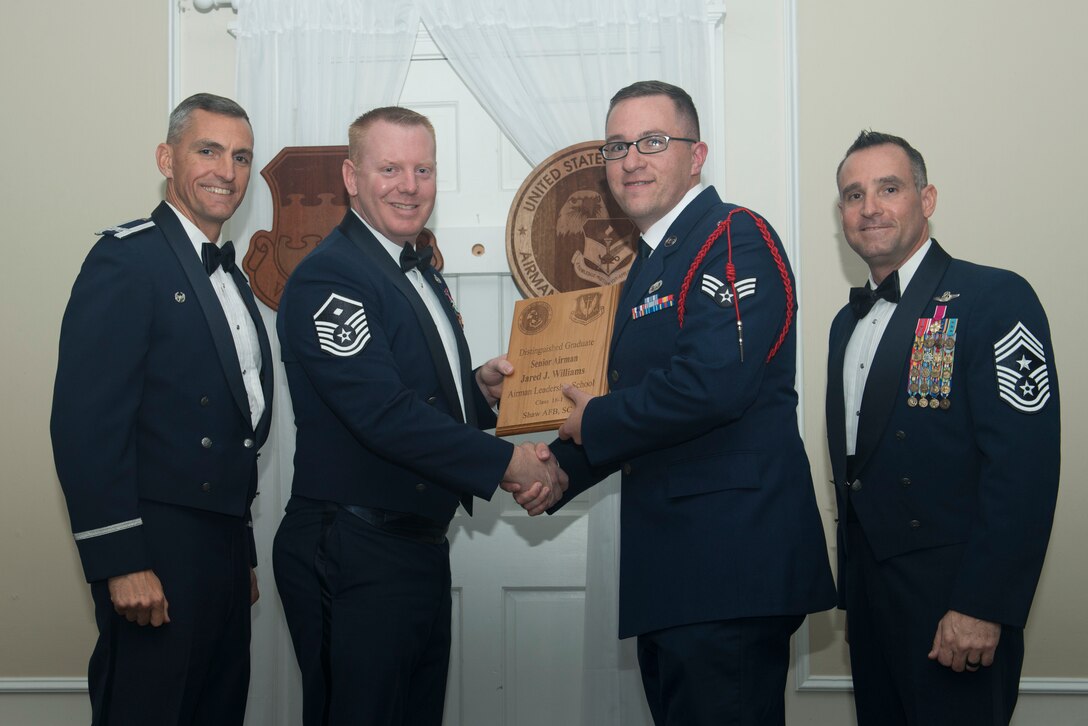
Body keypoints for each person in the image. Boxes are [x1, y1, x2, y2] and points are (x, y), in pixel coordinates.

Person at [551, 80, 836, 725]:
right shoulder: (652, 264)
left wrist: (591, 420)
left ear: (697, 154)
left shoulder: (734, 236)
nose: (631, 160)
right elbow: (640, 408)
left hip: (728, 564)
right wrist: (560, 469)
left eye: (653, 141)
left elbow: (713, 385)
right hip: (679, 571)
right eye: (617, 146)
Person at [273, 106, 564, 726]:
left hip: (411, 548)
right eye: (391, 168)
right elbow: (380, 412)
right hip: (353, 547)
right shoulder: (331, 276)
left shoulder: (414, 266)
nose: (410, 185)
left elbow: (414, 393)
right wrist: (506, 460)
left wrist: (478, 393)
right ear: (352, 177)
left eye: (423, 169)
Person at [50, 93, 272, 725]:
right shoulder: (127, 258)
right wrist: (122, 562)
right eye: (207, 150)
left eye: (240, 157)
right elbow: (85, 425)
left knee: (215, 711)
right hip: (156, 544)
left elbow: (238, 426)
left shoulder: (233, 277)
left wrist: (241, 556)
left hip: (222, 546)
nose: (226, 171)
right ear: (166, 159)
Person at [827, 130, 1060, 725]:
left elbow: (1023, 470)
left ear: (926, 200)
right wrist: (857, 601)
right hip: (874, 608)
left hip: (955, 608)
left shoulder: (994, 297)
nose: (870, 208)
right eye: (853, 196)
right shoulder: (842, 327)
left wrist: (983, 605)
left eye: (889, 188)